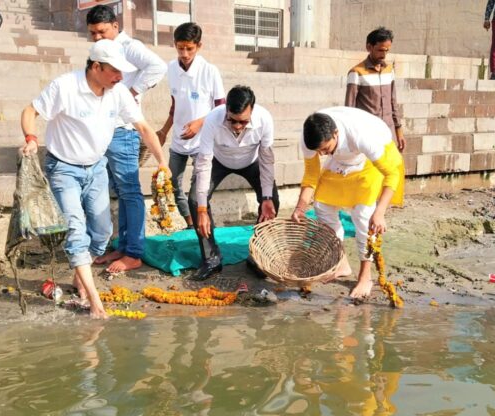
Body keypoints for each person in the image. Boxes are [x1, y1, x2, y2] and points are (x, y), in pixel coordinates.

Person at [18, 40, 165, 319]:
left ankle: (79, 275)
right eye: (114, 71)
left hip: (96, 168)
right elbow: (29, 111)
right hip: (64, 168)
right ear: (95, 67)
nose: (120, 77)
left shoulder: (118, 92)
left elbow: (143, 127)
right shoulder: (65, 86)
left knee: (100, 234)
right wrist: (31, 139)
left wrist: (163, 162)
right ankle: (95, 304)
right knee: (76, 230)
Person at [86, 4, 168, 274]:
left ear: (115, 27)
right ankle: (123, 245)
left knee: (130, 192)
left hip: (124, 130)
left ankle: (133, 253)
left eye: (102, 31)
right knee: (121, 192)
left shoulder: (128, 46)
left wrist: (134, 89)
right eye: (93, 33)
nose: (98, 37)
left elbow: (157, 66)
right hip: (105, 129)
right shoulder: (100, 53)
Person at [291, 107, 404, 298]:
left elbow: (392, 173)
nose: (322, 155)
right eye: (318, 151)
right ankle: (341, 263)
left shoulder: (361, 136)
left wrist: (380, 212)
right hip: (343, 161)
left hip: (369, 161)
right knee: (321, 205)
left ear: (336, 134)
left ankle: (365, 276)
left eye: (325, 149)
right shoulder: (310, 140)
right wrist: (300, 208)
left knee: (363, 216)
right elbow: (311, 175)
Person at [189, 85, 279, 281]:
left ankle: (256, 256)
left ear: (252, 111)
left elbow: (266, 160)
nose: (237, 126)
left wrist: (266, 197)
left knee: (272, 201)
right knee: (195, 200)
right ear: (226, 109)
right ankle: (211, 258)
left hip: (251, 161)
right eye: (232, 120)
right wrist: (202, 210)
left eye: (243, 122)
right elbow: (203, 162)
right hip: (218, 161)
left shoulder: (264, 119)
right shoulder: (213, 118)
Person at [157, 22, 226, 229]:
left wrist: (199, 123)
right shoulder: (171, 68)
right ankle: (191, 223)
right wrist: (164, 130)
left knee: (199, 191)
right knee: (173, 185)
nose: (184, 53)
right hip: (179, 140)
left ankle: (204, 226)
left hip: (202, 142)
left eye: (189, 48)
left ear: (199, 46)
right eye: (180, 48)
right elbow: (175, 104)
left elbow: (221, 108)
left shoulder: (209, 71)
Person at [345, 26, 406, 151]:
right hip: (367, 136)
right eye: (380, 50)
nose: (384, 55)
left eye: (387, 51)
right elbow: (349, 110)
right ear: (369, 47)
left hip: (389, 134)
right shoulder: (356, 73)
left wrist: (398, 131)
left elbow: (393, 103)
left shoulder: (389, 71)